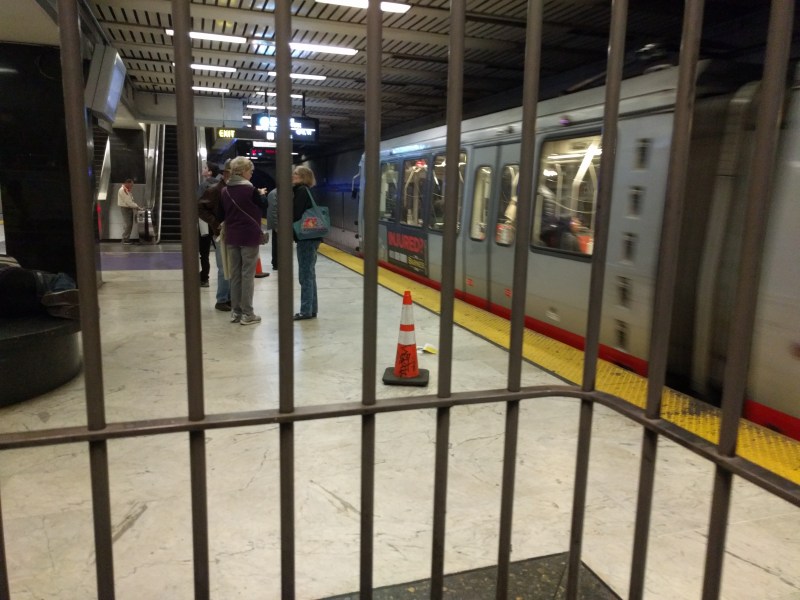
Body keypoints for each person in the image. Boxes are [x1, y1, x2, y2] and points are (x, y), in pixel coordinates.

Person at [218, 157, 265, 326]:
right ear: (243, 171)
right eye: (250, 171)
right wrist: (260, 195)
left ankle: (235, 312)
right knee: (247, 275)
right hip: (249, 235)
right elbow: (261, 206)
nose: (251, 174)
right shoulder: (250, 189)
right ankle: (248, 313)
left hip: (232, 236)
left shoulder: (225, 190)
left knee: (235, 275)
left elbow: (222, 212)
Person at [0, 255, 79, 320]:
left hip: (14, 299)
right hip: (28, 284)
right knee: (64, 278)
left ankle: (56, 305)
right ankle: (59, 300)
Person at [291, 165, 323, 321]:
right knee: (310, 273)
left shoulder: (301, 191)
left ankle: (305, 311)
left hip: (306, 238)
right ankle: (311, 309)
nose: (293, 176)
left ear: (304, 177)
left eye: (296, 174)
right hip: (311, 237)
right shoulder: (305, 191)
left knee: (305, 275)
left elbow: (295, 214)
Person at [199, 160, 232, 311]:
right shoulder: (215, 190)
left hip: (233, 233)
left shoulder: (232, 189)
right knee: (223, 266)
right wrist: (215, 223)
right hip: (222, 233)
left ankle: (229, 297)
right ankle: (222, 299)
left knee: (231, 266)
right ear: (226, 174)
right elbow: (201, 208)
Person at [197, 163, 221, 288]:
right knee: (221, 251)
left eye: (206, 168)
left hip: (205, 222)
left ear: (210, 172)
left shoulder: (204, 185)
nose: (203, 169)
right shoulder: (221, 185)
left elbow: (198, 203)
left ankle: (204, 278)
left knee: (204, 252)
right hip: (218, 223)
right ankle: (223, 275)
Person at [117, 179, 141, 245]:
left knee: (129, 224)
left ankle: (126, 238)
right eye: (131, 184)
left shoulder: (127, 190)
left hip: (128, 208)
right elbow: (128, 202)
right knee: (128, 224)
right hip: (126, 209)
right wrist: (137, 207)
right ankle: (125, 239)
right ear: (128, 183)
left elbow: (130, 201)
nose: (132, 186)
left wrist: (135, 206)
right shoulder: (123, 190)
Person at [266, 188, 278, 270]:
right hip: (279, 224)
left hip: (280, 223)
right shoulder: (275, 194)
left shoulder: (274, 193)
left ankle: (276, 263)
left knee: (277, 243)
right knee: (278, 244)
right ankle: (276, 263)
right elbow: (273, 210)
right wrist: (276, 225)